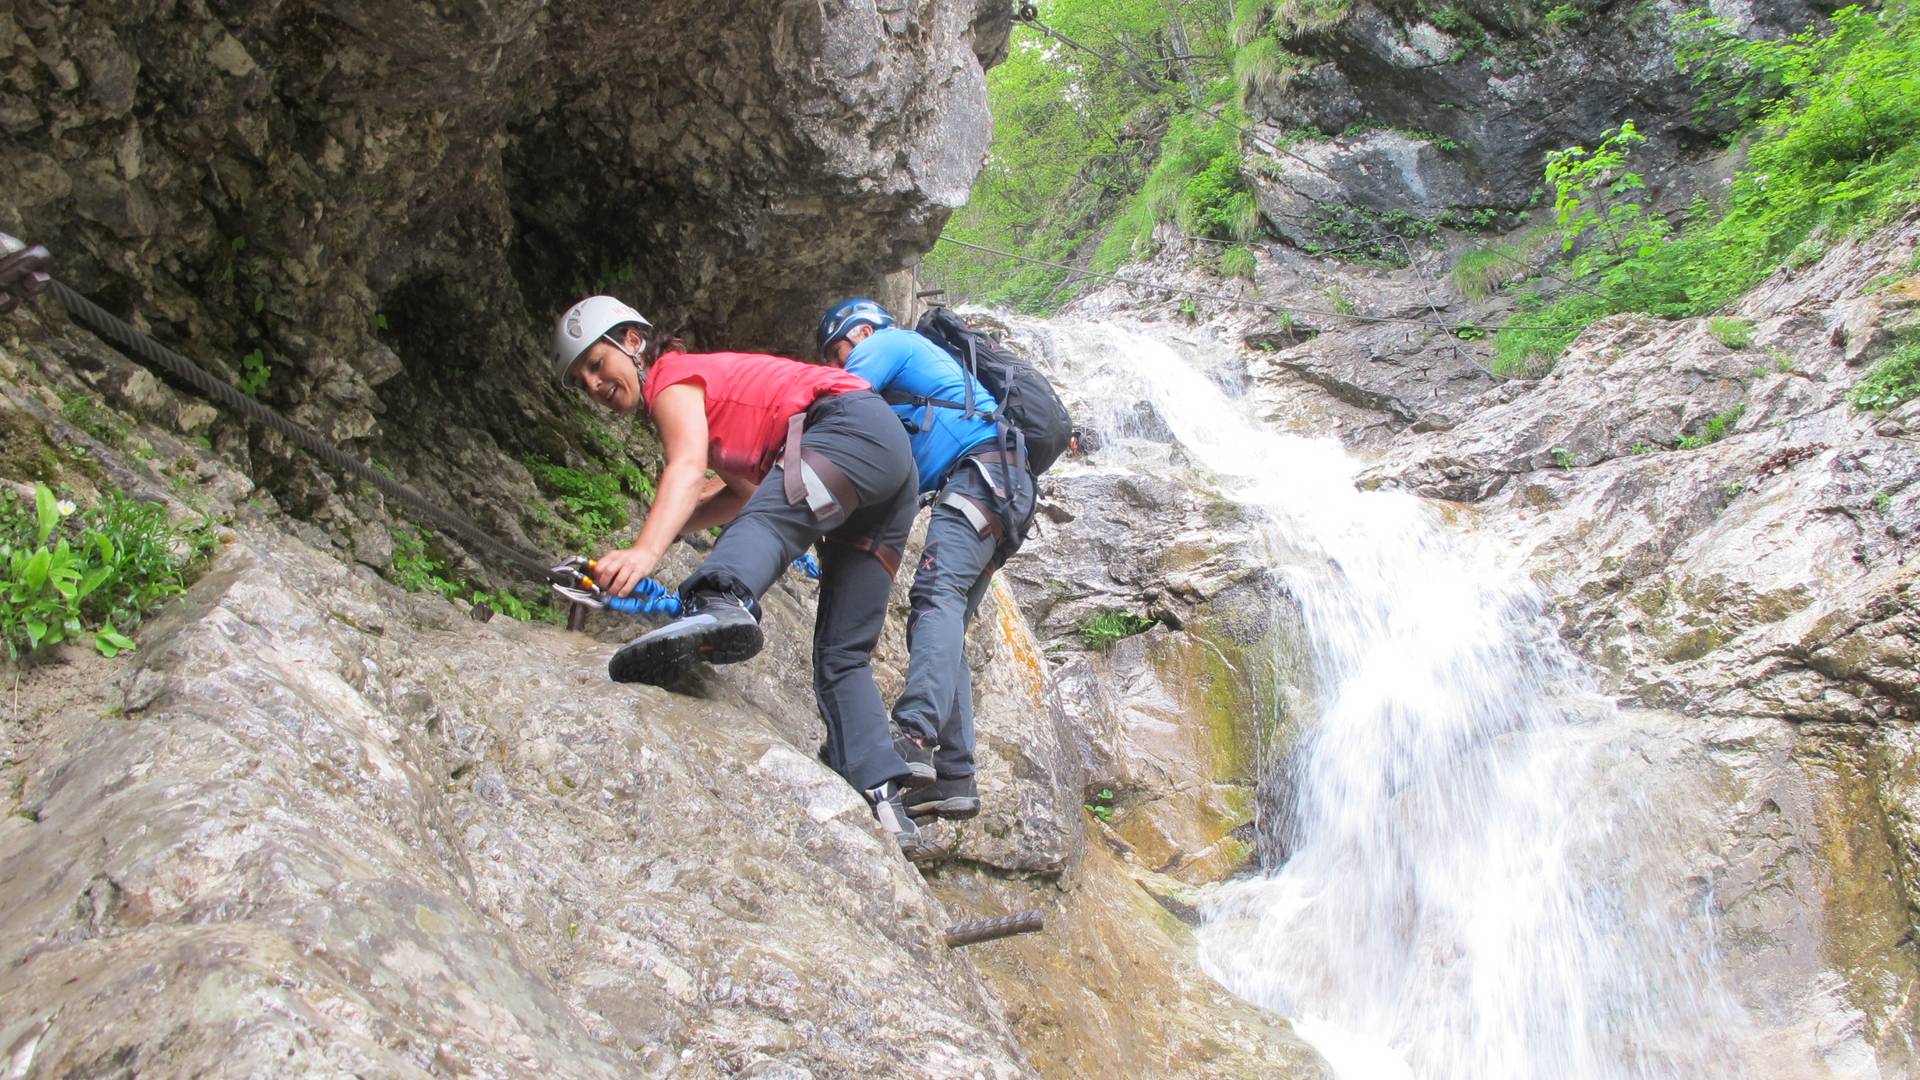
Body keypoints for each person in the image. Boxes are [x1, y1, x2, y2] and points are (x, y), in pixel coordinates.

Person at [552, 295, 932, 855]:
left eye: (594, 363)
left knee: (763, 540)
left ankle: (721, 601)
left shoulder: (673, 378)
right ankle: (882, 794)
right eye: (580, 379)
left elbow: (687, 469)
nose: (592, 384)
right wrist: (668, 533)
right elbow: (745, 498)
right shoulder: (733, 421)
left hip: (848, 429)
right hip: (889, 474)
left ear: (632, 341)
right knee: (841, 653)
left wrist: (642, 554)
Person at [816, 299, 1038, 823]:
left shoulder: (886, 344)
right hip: (1003, 488)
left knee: (935, 600)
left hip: (980, 478)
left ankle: (914, 735)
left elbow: (836, 401)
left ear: (862, 331)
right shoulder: (914, 405)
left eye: (839, 350)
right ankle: (955, 776)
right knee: (946, 622)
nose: (838, 364)